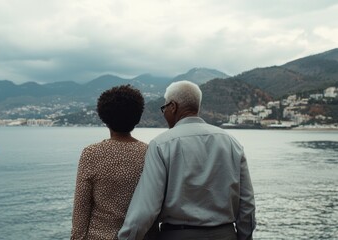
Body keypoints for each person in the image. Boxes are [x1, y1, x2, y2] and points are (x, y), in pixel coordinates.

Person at [118, 80, 256, 240]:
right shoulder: (231, 143)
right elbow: (247, 203)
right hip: (226, 234)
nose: (164, 114)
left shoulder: (161, 145)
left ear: (173, 107)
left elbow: (146, 209)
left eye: (164, 108)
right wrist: (245, 237)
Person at [71, 85, 148, 240]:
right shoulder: (150, 153)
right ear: (137, 118)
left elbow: (81, 209)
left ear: (104, 117)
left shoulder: (92, 154)